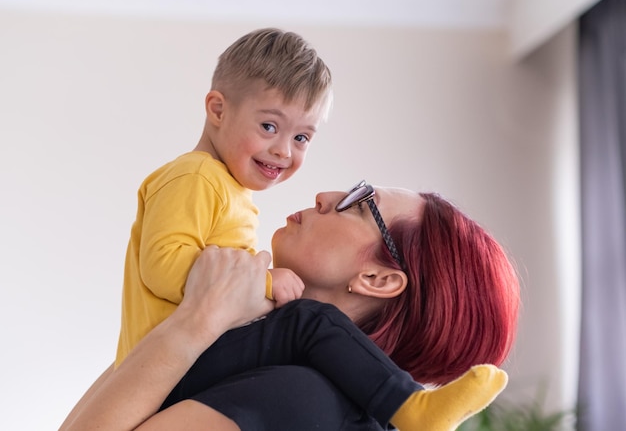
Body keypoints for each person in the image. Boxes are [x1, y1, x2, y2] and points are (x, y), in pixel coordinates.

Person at [61, 182, 520, 431]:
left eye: (360, 204)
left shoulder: (302, 399)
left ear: (378, 279)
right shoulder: (263, 361)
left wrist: (194, 323)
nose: (325, 195)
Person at [115, 27, 333, 367]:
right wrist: (262, 282)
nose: (283, 150)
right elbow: (163, 266)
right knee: (312, 328)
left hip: (189, 364)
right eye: (269, 127)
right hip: (168, 370)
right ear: (218, 110)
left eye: (302, 137)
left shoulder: (228, 188)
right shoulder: (196, 177)